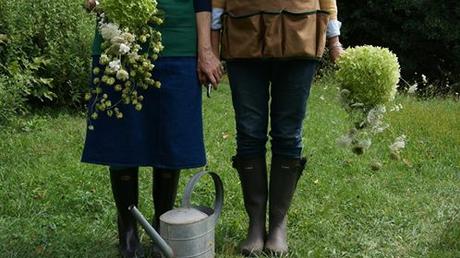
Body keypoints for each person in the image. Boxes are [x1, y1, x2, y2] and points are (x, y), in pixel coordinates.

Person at [82, 1, 222, 257]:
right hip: (117, 41)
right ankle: (128, 233)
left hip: (178, 41)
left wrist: (206, 49)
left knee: (171, 137)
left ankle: (163, 226)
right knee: (122, 135)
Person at [211, 0, 344, 256]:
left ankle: (278, 224)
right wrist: (213, 45)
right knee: (249, 132)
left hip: (300, 33)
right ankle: (256, 225)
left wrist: (334, 41)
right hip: (242, 33)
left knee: (288, 133)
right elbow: (217, 2)